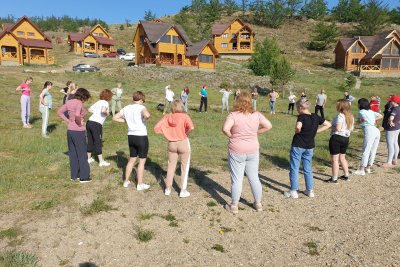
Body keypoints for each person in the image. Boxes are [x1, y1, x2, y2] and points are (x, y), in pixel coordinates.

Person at [222, 92, 272, 213]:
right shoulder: (257, 115)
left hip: (237, 150)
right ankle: (258, 204)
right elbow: (268, 126)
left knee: (237, 179)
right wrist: (257, 132)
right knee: (254, 177)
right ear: (250, 101)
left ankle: (234, 205)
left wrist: (231, 136)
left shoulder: (233, 115)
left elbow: (225, 129)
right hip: (253, 149)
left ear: (237, 101)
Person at [284, 98, 331, 198]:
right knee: (308, 168)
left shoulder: (301, 117)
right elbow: (328, 124)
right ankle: (310, 190)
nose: (297, 110)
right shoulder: (315, 116)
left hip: (298, 145)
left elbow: (298, 126)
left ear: (301, 107)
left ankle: (293, 191)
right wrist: (316, 131)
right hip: (309, 146)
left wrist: (297, 131)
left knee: (294, 167)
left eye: (297, 108)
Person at [154, 100, 194, 197]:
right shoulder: (185, 116)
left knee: (171, 165)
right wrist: (185, 133)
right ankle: (182, 190)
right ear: (181, 106)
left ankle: (167, 189)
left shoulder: (168, 116)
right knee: (185, 166)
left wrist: (167, 134)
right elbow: (191, 127)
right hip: (183, 142)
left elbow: (156, 128)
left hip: (171, 143)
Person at [113, 91, 151, 191]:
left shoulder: (126, 108)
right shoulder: (142, 107)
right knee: (142, 161)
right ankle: (139, 184)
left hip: (131, 136)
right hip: (141, 136)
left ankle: (126, 181)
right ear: (141, 99)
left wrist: (127, 121)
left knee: (131, 159)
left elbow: (115, 117)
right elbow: (147, 115)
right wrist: (144, 118)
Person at [57, 88, 92, 183]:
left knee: (73, 153)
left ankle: (74, 175)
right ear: (83, 96)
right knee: (82, 153)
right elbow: (77, 115)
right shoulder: (79, 102)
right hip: (78, 131)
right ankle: (84, 177)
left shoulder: (69, 101)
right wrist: (79, 123)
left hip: (70, 131)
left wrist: (68, 121)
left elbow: (59, 112)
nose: (85, 100)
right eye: (86, 98)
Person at [327, 100, 354, 183]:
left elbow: (338, 128)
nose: (336, 106)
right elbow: (351, 129)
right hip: (346, 138)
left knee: (335, 160)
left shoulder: (340, 116)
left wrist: (330, 127)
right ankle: (346, 175)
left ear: (341, 106)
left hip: (337, 138)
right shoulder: (351, 116)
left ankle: (334, 178)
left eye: (338, 105)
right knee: (342, 158)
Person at [353, 98, 383, 175]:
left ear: (360, 104)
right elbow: (380, 116)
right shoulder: (370, 111)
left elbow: (364, 119)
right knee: (373, 150)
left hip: (369, 130)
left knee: (366, 150)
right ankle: (368, 168)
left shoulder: (361, 111)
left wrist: (359, 121)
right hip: (376, 130)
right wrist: (373, 120)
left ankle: (362, 169)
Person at [87, 89, 113, 167]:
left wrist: (96, 113)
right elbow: (103, 110)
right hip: (96, 124)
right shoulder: (105, 102)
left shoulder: (98, 101)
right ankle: (101, 161)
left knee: (90, 141)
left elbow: (89, 109)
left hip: (89, 122)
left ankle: (88, 158)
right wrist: (107, 113)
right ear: (108, 96)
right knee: (98, 142)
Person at [382, 95, 400, 168]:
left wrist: (390, 121)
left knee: (390, 144)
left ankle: (389, 162)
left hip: (391, 128)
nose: (390, 101)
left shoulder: (394, 109)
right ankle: (394, 159)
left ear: (394, 102)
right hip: (397, 128)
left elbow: (391, 117)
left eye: (391, 100)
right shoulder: (398, 108)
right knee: (395, 143)